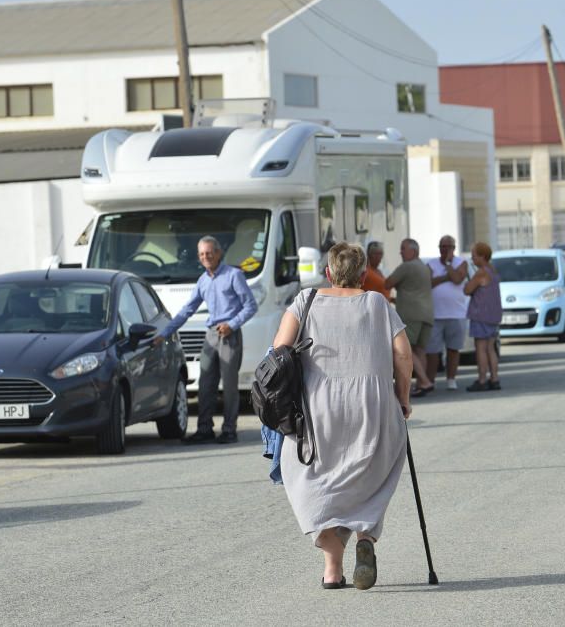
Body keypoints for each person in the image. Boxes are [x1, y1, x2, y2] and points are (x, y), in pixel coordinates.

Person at [273, 242, 412, 591]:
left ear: (329, 273)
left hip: (318, 405)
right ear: (364, 275)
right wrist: (403, 397)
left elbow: (278, 351)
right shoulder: (377, 302)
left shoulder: (306, 300)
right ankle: (365, 537)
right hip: (374, 403)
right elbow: (403, 354)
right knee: (371, 477)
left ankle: (332, 567)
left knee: (309, 477)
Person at [160, 236, 257, 444]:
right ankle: (205, 429)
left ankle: (229, 430)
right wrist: (165, 332)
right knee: (205, 383)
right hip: (210, 334)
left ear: (218, 253)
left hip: (229, 333)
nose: (206, 257)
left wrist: (232, 324)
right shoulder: (203, 280)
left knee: (230, 386)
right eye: (202, 254)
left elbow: (250, 305)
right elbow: (188, 309)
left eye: (209, 253)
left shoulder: (233, 275)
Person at [384, 238, 434, 397]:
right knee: (420, 350)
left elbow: (387, 283)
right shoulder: (425, 267)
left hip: (411, 314)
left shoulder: (407, 266)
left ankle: (424, 381)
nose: (401, 252)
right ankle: (422, 384)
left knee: (408, 349)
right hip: (427, 314)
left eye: (403, 248)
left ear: (414, 251)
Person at [425, 235, 469, 390]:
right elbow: (428, 283)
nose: (444, 249)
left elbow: (457, 279)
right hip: (436, 314)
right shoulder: (431, 264)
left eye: (448, 246)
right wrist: (446, 277)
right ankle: (430, 381)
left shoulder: (461, 262)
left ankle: (451, 379)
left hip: (456, 314)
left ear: (453, 248)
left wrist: (449, 265)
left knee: (453, 349)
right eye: (442, 246)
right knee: (432, 351)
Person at [463, 242, 502, 391]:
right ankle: (494, 378)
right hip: (493, 315)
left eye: (474, 256)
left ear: (482, 256)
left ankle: (481, 380)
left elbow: (467, 290)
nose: (472, 259)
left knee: (481, 348)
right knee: (491, 348)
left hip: (481, 314)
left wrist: (468, 278)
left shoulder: (481, 272)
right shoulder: (492, 270)